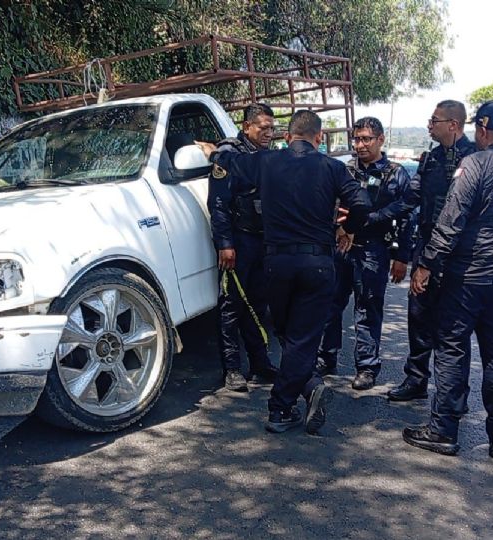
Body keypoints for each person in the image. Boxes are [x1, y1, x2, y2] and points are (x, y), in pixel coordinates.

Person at [197, 110, 371, 435]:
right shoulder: (333, 167)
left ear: (288, 136)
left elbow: (230, 163)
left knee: (288, 333)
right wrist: (348, 228)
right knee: (304, 337)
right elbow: (361, 203)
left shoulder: (266, 162)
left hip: (276, 264)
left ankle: (295, 398)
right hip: (318, 265)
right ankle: (288, 401)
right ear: (319, 138)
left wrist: (213, 151)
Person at [402, 100, 493, 461]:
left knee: (452, 349)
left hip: (468, 277)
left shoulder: (476, 164)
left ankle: (443, 430)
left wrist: (424, 265)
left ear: (482, 131)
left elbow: (449, 223)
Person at [387, 100, 477, 402]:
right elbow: (410, 200)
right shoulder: (431, 159)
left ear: (453, 124)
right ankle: (416, 380)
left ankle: (454, 396)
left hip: (459, 255)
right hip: (426, 249)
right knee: (419, 317)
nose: (429, 125)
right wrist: (371, 217)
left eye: (434, 120)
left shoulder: (476, 159)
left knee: (453, 329)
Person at [317, 117, 415, 391]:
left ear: (380, 139)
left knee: (367, 309)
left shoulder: (395, 174)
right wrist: (338, 228)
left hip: (374, 250)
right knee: (330, 305)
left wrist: (402, 257)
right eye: (356, 139)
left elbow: (406, 216)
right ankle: (326, 357)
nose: (359, 145)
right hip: (341, 247)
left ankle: (367, 366)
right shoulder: (344, 170)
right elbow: (327, 205)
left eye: (366, 139)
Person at [207, 103, 279, 392]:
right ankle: (232, 369)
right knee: (231, 306)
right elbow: (219, 204)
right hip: (238, 241)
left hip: (263, 241)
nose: (269, 134)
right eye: (263, 128)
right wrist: (225, 244)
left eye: (272, 128)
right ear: (246, 126)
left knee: (258, 304)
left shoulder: (267, 157)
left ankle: (260, 364)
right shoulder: (228, 156)